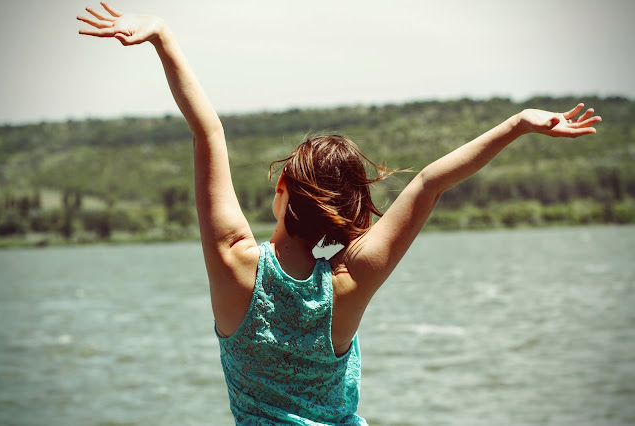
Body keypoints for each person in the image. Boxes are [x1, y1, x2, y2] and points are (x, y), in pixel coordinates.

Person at [78, 3, 602, 424]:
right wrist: (517, 124)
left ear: (282, 186)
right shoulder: (350, 281)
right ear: (351, 214)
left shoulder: (235, 265)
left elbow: (208, 131)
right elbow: (430, 181)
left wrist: (162, 36)